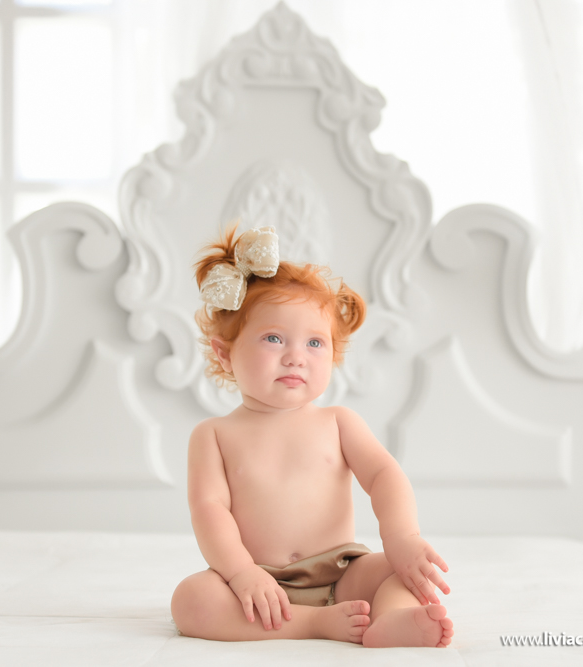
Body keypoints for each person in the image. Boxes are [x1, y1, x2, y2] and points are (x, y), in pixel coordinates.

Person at [170, 225, 454, 648]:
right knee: (191, 600)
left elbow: (384, 476)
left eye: (315, 343)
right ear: (225, 354)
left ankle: (392, 621)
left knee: (401, 572)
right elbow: (209, 511)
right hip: (258, 584)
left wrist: (402, 539)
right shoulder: (213, 435)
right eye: (273, 338)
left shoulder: (339, 422)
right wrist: (241, 572)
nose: (295, 357)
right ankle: (311, 623)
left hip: (343, 575)